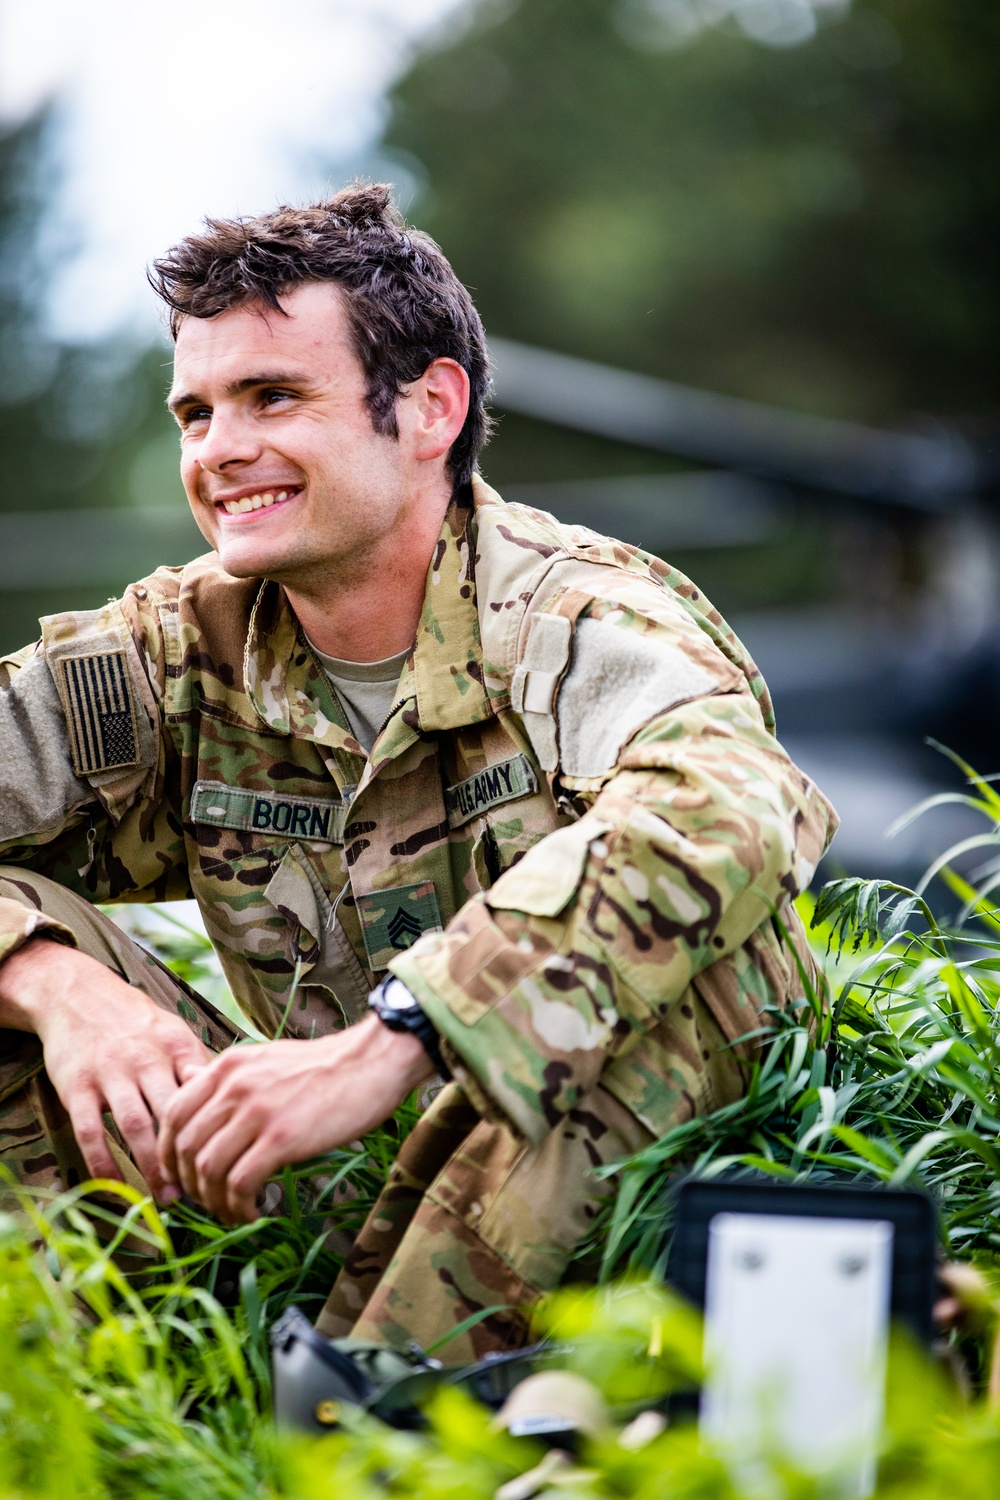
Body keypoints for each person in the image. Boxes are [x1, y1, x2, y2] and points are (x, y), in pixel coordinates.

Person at [0, 183, 837, 1361]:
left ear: (430, 406)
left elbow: (733, 808)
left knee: (660, 974)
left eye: (272, 396)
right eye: (195, 414)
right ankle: (153, 1413)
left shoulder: (569, 613)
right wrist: (51, 984)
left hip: (623, 1235)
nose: (221, 449)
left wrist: (410, 1030)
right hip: (315, 1192)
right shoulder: (171, 656)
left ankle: (391, 1438)